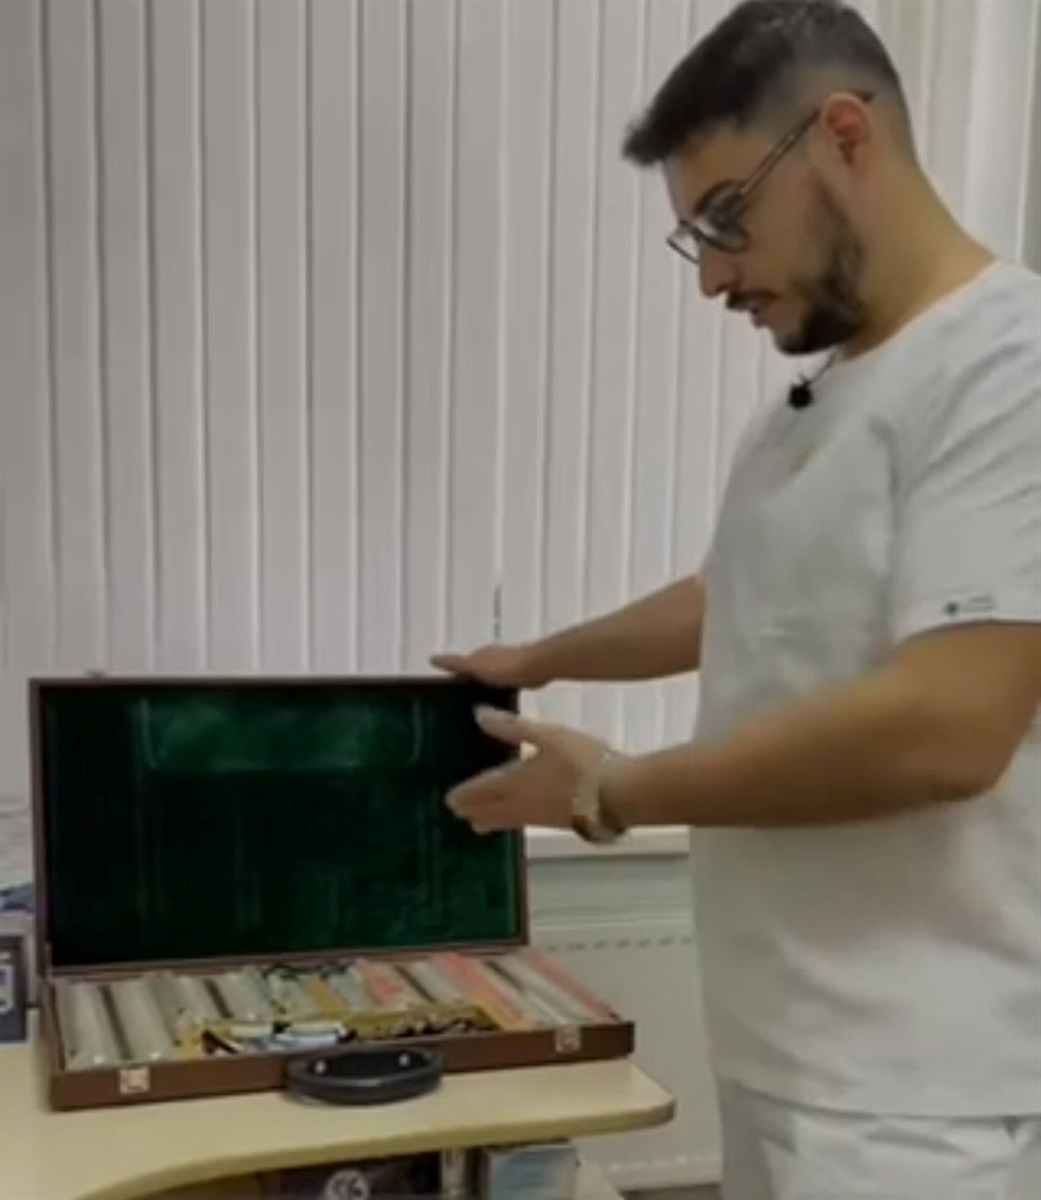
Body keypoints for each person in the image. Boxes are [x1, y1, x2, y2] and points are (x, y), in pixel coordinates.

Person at [432, 0, 1041, 1197]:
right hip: (780, 1052)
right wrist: (537, 657)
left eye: (726, 217)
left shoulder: (1006, 366)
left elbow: (950, 728)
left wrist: (613, 789)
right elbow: (741, 596)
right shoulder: (808, 406)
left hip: (921, 1092)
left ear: (845, 135)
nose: (713, 276)